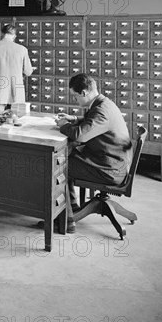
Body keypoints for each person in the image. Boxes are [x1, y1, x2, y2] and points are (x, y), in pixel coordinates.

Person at [55, 74, 133, 234]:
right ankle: (73, 208)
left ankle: (67, 221)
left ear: (84, 93)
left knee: (58, 167)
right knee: (68, 158)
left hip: (109, 170)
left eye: (75, 96)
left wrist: (64, 126)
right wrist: (74, 119)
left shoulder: (101, 111)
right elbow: (91, 120)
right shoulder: (103, 103)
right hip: (112, 162)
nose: (75, 100)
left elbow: (80, 135)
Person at [0, 23, 34, 115]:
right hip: (16, 91)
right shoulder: (22, 49)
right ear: (14, 36)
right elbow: (28, 72)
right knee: (15, 122)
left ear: (1, 33)